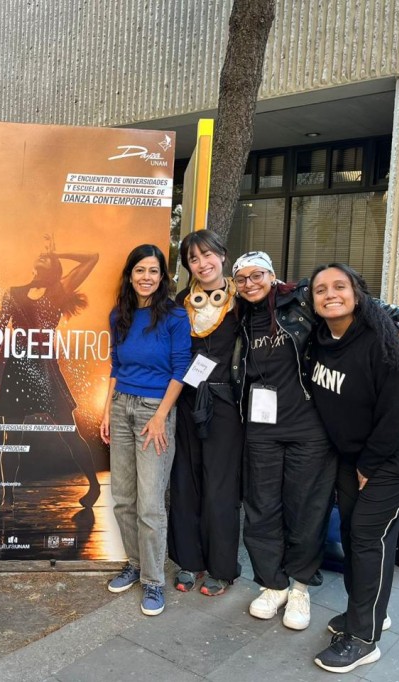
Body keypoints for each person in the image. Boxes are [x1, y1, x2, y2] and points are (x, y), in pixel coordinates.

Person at [231, 251, 399, 631]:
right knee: (261, 509)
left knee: (306, 511)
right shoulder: (235, 316)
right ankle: (273, 583)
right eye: (241, 278)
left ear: (272, 276)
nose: (250, 283)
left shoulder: (303, 298)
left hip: (310, 429)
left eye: (257, 275)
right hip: (260, 430)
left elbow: (373, 306)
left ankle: (300, 584)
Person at [307, 264, 399, 673]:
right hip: (354, 453)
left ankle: (364, 638)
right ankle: (366, 613)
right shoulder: (322, 338)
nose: (330, 294)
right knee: (351, 530)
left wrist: (370, 464)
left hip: (396, 452)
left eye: (339, 286)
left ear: (357, 294)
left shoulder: (381, 340)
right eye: (321, 289)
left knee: (369, 536)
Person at [100, 244, 190, 616]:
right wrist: (107, 411)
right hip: (121, 406)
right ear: (130, 274)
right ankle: (135, 565)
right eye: (140, 270)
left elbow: (180, 368)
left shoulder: (174, 316)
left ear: (162, 276)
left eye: (154, 271)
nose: (147, 278)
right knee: (123, 498)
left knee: (151, 504)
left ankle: (154, 581)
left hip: (157, 410)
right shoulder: (118, 315)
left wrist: (160, 416)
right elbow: (116, 365)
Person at [0, 236, 101, 507]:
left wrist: (59, 251)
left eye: (47, 257)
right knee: (10, 437)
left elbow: (92, 256)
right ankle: (8, 498)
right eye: (41, 255)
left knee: (68, 431)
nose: (42, 256)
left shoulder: (60, 289)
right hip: (16, 366)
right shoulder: (13, 292)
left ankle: (94, 486)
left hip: (46, 367)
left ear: (55, 267)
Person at [167, 231, 243, 597]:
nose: (203, 263)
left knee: (220, 485)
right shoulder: (181, 302)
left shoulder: (245, 294)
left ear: (223, 256)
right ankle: (188, 559)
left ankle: (221, 566)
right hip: (186, 398)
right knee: (185, 481)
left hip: (225, 402)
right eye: (193, 259)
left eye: (208, 254)